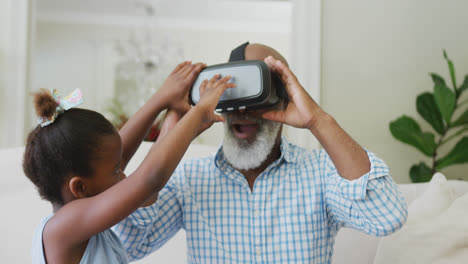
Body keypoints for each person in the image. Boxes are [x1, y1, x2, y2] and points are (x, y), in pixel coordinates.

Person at [114, 43, 408, 263]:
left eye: (255, 94)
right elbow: (131, 243)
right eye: (232, 93)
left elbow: (386, 217)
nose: (242, 109)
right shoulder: (190, 178)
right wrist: (174, 122)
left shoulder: (321, 171)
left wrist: (318, 120)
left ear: (285, 97)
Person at [23, 61, 236, 263]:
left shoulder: (83, 216)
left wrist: (164, 102)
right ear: (80, 187)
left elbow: (119, 155)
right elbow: (148, 179)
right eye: (116, 171)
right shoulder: (63, 227)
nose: (123, 174)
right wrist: (199, 112)